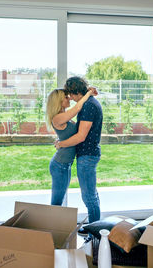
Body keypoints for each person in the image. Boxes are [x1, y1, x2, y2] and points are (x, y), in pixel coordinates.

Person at [54, 76, 103, 228]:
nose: (69, 98)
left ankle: (94, 233)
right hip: (87, 155)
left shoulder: (88, 106)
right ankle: (95, 229)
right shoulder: (88, 103)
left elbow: (81, 136)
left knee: (89, 197)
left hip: (87, 156)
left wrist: (61, 144)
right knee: (91, 195)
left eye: (69, 94)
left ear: (75, 93)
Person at [46, 87, 96, 206]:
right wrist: (88, 93)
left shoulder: (64, 116)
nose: (69, 98)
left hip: (65, 164)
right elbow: (77, 107)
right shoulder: (57, 117)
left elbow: (67, 134)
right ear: (58, 101)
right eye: (66, 97)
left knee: (60, 199)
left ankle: (58, 223)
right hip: (60, 165)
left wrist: (61, 141)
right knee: (57, 201)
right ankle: (51, 223)